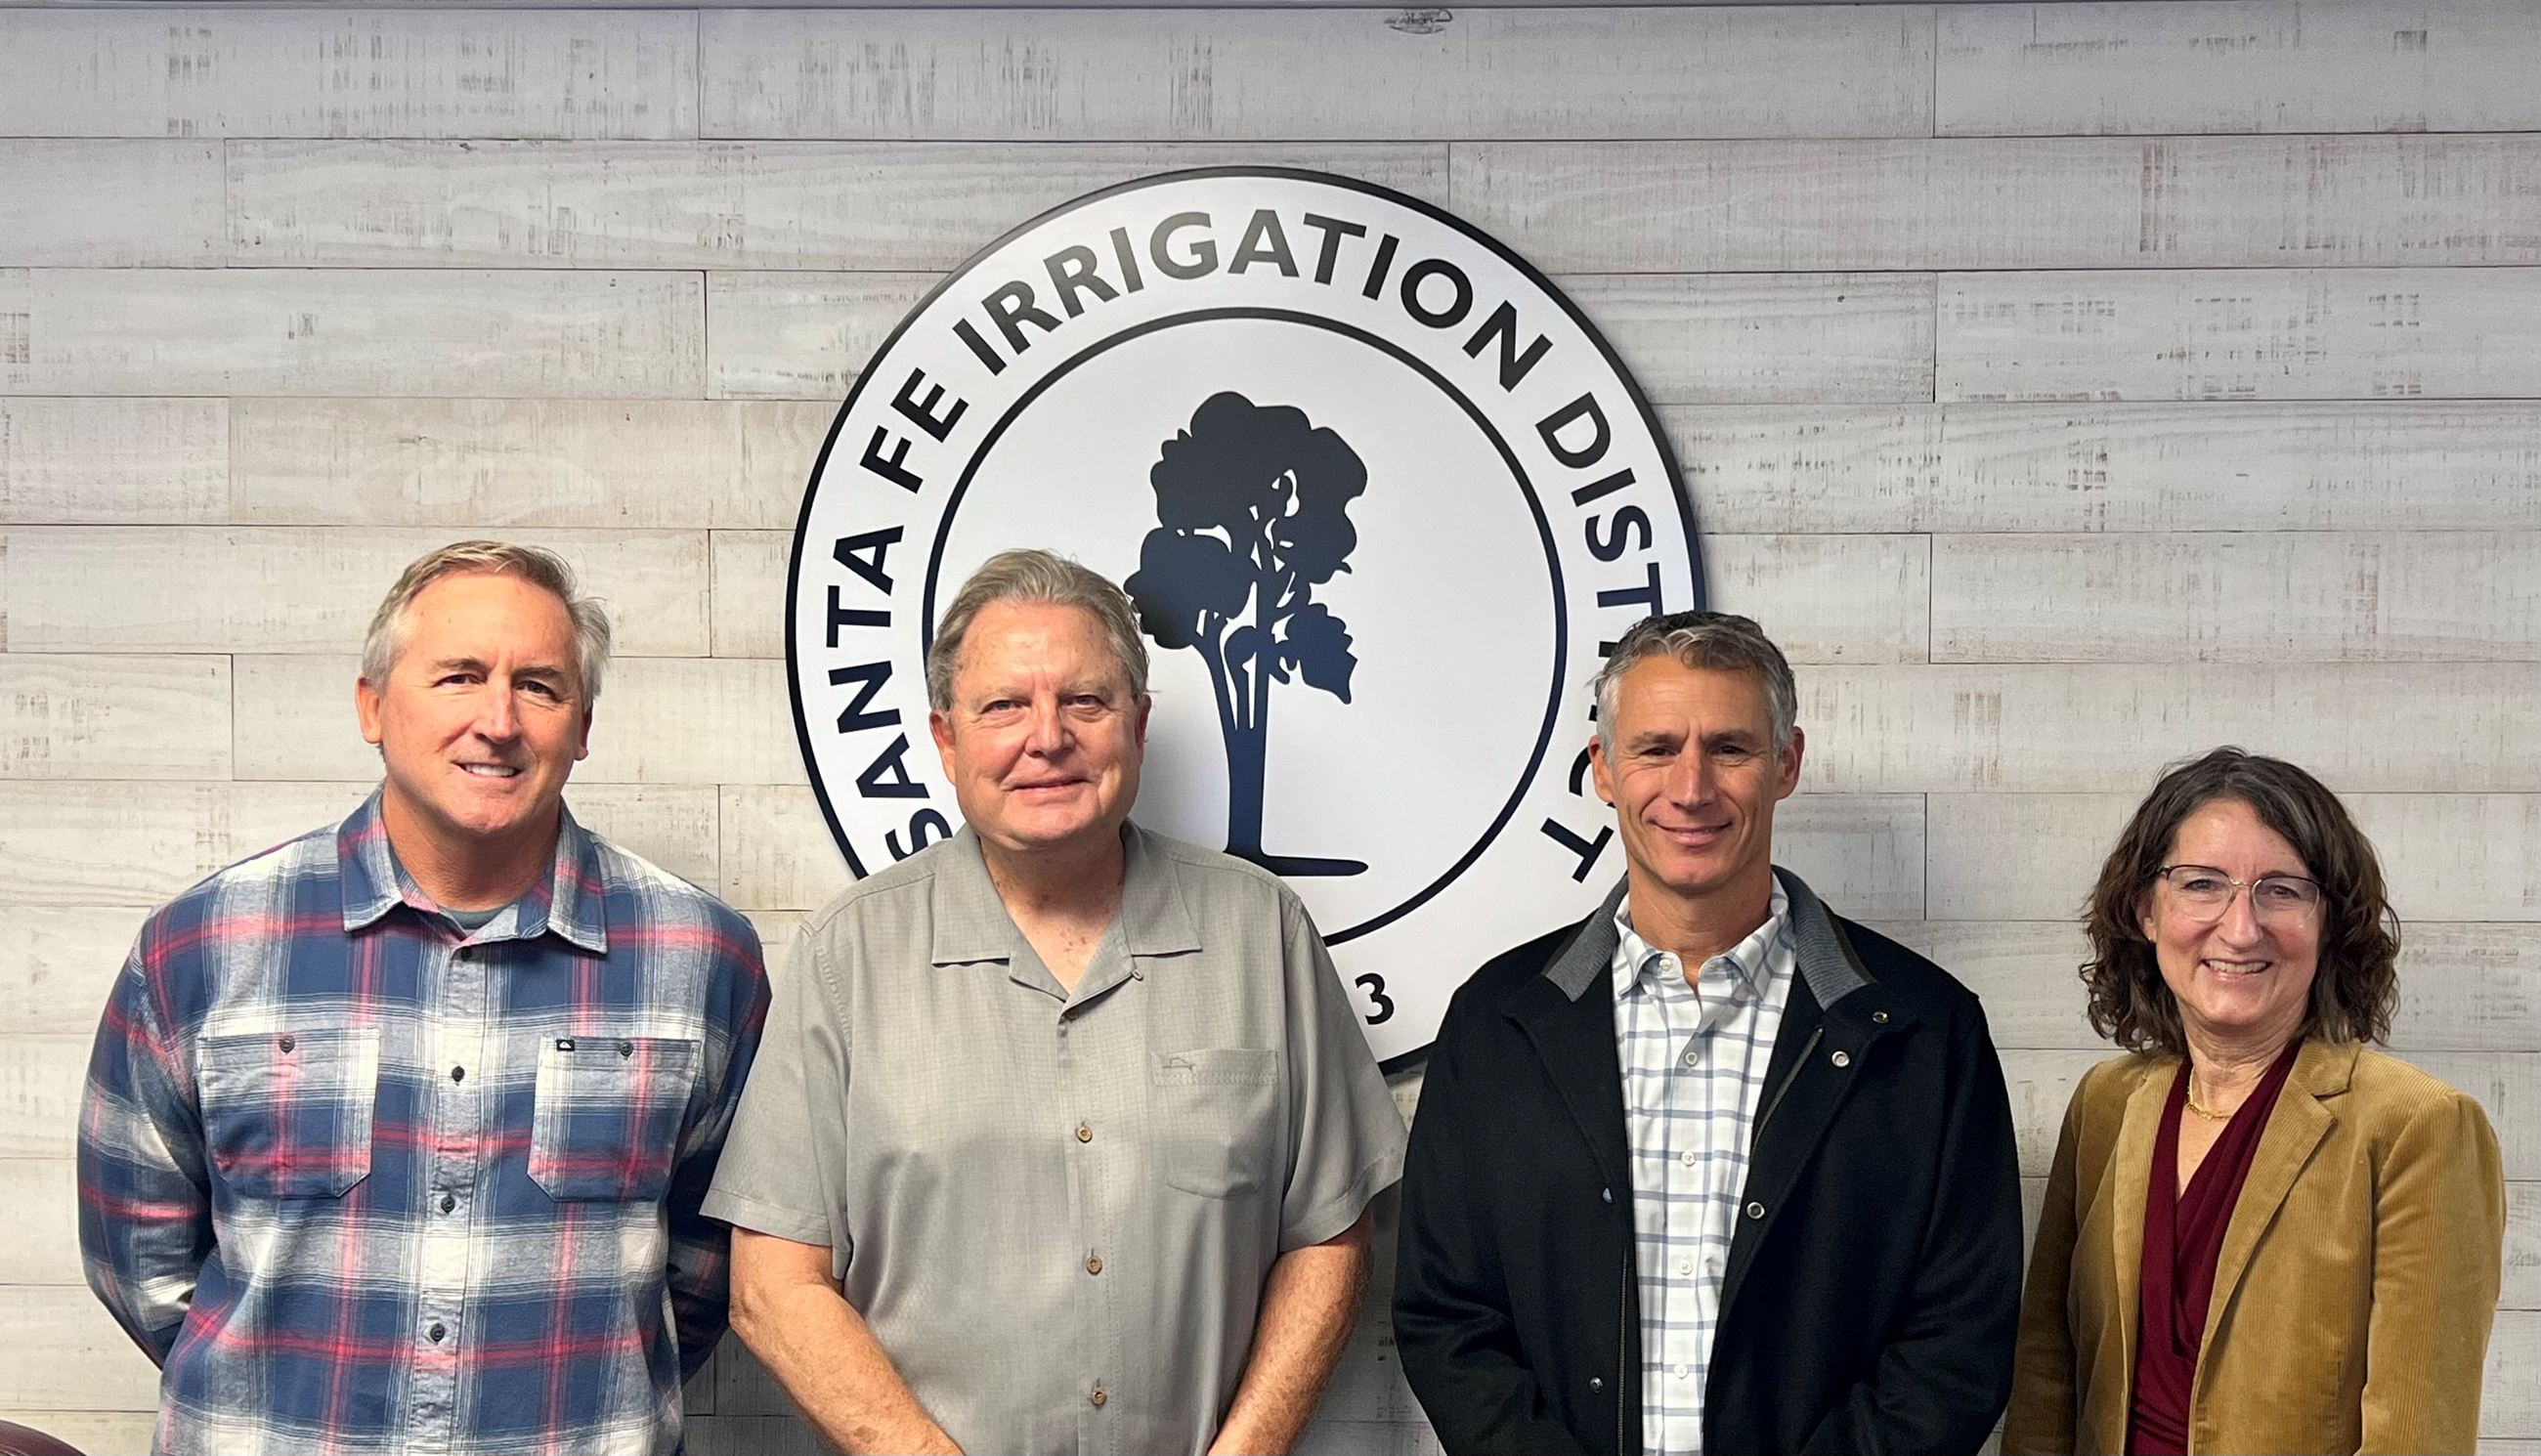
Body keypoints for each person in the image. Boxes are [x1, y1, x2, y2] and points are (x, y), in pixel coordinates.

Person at [705, 548, 1405, 1455]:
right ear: (947, 739)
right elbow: (773, 1286)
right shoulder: (848, 955)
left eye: (1085, 701)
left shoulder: (1261, 932)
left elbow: (1331, 1234)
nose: (1047, 738)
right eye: (1003, 706)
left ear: (1139, 725)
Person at [76, 540, 769, 1455]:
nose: (498, 720)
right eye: (458, 676)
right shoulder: (204, 943)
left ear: (584, 725)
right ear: (372, 705)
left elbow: (710, 1261)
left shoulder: (700, 957)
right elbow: (139, 1257)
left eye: (540, 686)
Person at [1393, 609, 2025, 1456]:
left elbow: (1959, 1339)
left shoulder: (1924, 1030)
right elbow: (1446, 1312)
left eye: (1729, 748)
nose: (1691, 788)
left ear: (1786, 763)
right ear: (1605, 771)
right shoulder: (1497, 1024)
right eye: (1656, 748)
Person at [2003, 748, 2505, 1455]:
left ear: (2329, 920)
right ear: (2147, 909)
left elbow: (2418, 1437)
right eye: (2203, 884)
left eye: (2282, 890)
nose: (2240, 928)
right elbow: (2047, 1373)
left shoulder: (2417, 1127)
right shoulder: (2105, 1103)